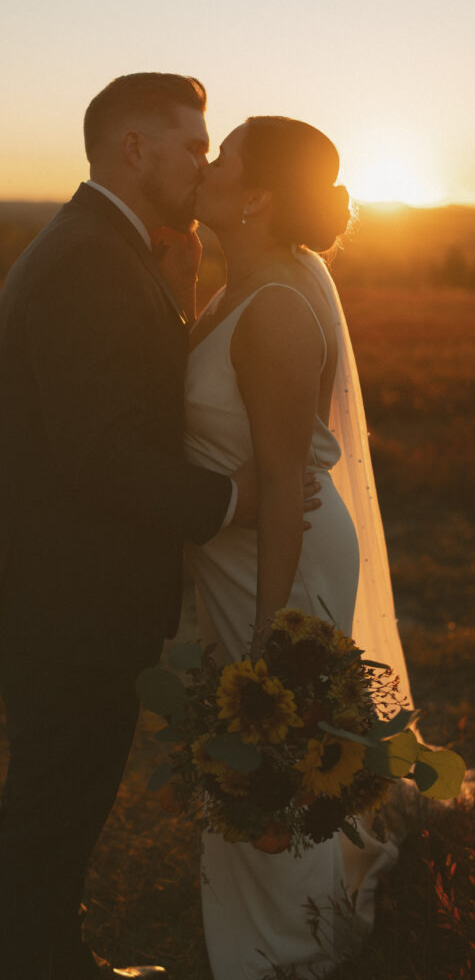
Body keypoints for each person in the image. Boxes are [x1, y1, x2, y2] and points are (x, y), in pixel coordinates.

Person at [0, 78, 321, 980]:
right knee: (50, 803)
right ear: (132, 149)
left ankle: (50, 953)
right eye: (192, 145)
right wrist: (233, 502)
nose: (202, 162)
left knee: (67, 799)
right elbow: (99, 454)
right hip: (63, 594)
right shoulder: (88, 257)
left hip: (77, 590)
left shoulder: (115, 247)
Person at [177, 116, 414, 978]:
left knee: (273, 744)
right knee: (255, 759)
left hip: (286, 557)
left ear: (258, 197)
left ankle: (296, 952)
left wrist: (269, 636)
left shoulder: (276, 307)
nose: (207, 162)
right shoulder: (233, 289)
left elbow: (284, 486)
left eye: (225, 154)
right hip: (251, 552)